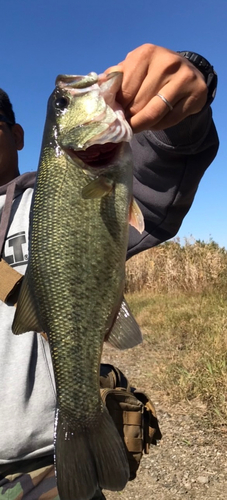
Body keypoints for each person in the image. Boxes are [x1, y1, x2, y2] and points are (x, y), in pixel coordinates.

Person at [0, 43, 219, 500]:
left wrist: (181, 95)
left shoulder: (45, 197)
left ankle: (79, 427)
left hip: (41, 471)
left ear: (19, 135)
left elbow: (165, 167)